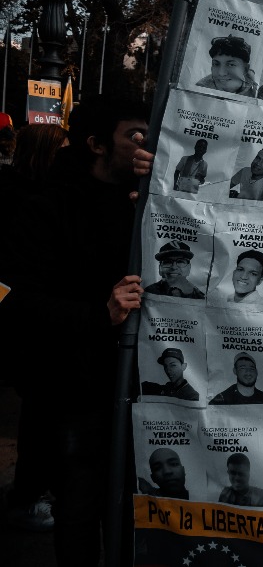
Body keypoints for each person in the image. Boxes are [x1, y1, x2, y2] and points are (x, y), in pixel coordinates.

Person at [0, 100, 153, 563]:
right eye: (135, 137)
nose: (146, 148)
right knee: (81, 508)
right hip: (75, 390)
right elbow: (15, 300)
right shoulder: (46, 207)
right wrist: (98, 314)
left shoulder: (142, 202)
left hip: (135, 390)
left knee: (131, 509)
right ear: (97, 145)